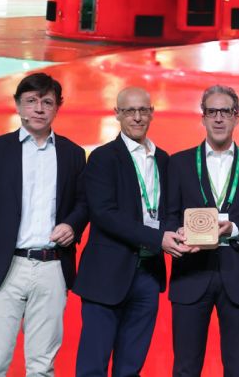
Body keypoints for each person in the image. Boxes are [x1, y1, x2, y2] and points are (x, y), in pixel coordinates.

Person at [0, 72, 88, 376]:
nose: (39, 109)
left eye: (47, 102)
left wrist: (73, 225)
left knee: (42, 367)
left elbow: (83, 203)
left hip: (52, 267)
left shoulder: (72, 153)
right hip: (4, 267)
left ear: (58, 107)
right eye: (31, 101)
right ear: (17, 105)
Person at [165, 85, 239, 377]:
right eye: (212, 111)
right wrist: (178, 232)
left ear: (236, 117)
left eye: (225, 112)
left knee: (238, 368)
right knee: (186, 368)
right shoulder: (178, 163)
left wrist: (235, 229)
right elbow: (168, 214)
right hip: (191, 274)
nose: (218, 118)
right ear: (202, 117)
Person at [73, 87, 185, 376]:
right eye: (129, 111)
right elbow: (104, 214)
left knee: (131, 367)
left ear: (152, 113)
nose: (137, 117)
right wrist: (158, 238)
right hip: (107, 274)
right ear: (117, 114)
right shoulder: (102, 158)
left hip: (148, 274)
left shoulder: (164, 159)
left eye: (143, 110)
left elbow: (171, 210)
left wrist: (173, 233)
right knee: (92, 367)